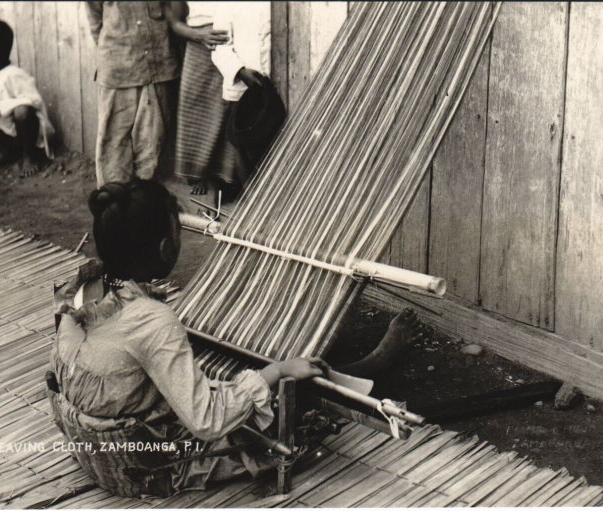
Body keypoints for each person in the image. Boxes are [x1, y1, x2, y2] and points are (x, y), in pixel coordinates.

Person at [49, 179, 423, 497]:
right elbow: (207, 421)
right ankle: (368, 369)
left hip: (94, 450)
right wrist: (273, 373)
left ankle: (339, 371)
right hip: (149, 463)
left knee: (234, 379)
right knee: (287, 398)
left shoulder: (88, 290)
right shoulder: (152, 320)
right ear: (166, 248)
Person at [85, 2, 181, 186]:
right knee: (114, 145)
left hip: (159, 66)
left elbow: (175, 10)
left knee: (152, 144)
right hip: (118, 70)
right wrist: (117, 51)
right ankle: (114, 204)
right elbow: (95, 20)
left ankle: (143, 204)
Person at [165, 2, 237, 198]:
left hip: (232, 38)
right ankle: (198, 173)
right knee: (196, 106)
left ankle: (224, 175)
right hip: (198, 42)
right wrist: (197, 35)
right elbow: (173, 21)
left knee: (228, 105)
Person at [0, 19, 53, 177]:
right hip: (4, 131)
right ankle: (6, 150)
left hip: (26, 132)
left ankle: (29, 156)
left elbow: (34, 100)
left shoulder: (14, 75)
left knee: (22, 111)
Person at [209, 1, 275, 190]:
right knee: (243, 145)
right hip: (242, 86)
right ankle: (252, 198)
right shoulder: (227, 5)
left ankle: (270, 194)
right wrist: (240, 71)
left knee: (270, 143)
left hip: (274, 84)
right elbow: (219, 48)